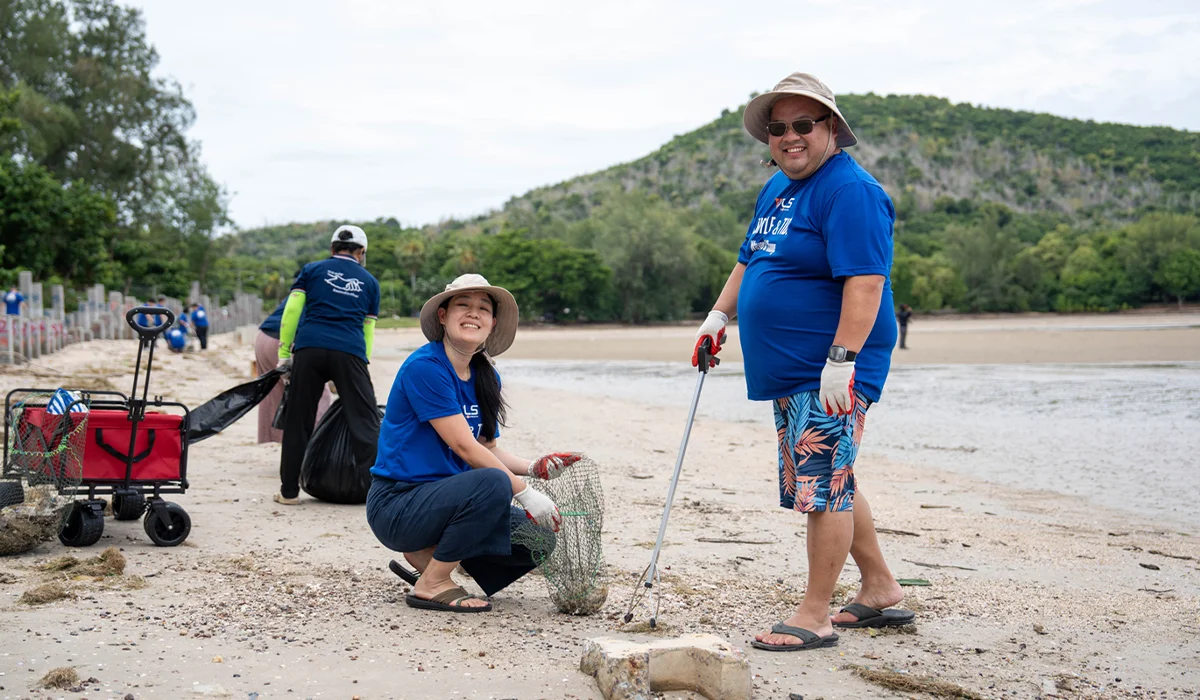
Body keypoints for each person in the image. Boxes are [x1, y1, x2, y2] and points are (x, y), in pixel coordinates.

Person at [694, 72, 912, 651]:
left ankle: (814, 613)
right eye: (778, 127)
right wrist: (717, 319)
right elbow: (750, 258)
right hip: (792, 369)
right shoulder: (779, 189)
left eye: (803, 124)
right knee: (831, 478)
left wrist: (841, 360)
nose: (790, 137)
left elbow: (865, 284)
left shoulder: (850, 191)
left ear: (832, 129)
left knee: (824, 487)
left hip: (830, 367)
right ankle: (880, 588)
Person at [366, 273, 577, 612]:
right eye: (463, 305)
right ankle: (433, 581)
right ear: (443, 315)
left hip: (446, 501)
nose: (473, 313)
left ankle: (430, 556)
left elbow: (488, 448)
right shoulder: (426, 368)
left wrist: (535, 467)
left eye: (483, 308)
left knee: (538, 537)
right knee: (494, 484)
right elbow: (465, 448)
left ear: (493, 322)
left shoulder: (485, 375)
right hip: (398, 504)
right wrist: (523, 491)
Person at [275, 225, 380, 505]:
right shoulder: (369, 282)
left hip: (309, 348)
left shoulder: (312, 270)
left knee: (298, 420)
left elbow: (293, 309)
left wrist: (284, 352)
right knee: (365, 421)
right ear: (361, 252)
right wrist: (362, 362)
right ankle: (377, 494)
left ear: (333, 248)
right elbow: (367, 328)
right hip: (350, 351)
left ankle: (288, 492)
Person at [254, 290, 332, 444]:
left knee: (274, 393)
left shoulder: (306, 288)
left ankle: (277, 442)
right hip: (288, 341)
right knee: (318, 396)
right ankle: (315, 447)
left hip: (263, 338)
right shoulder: (335, 293)